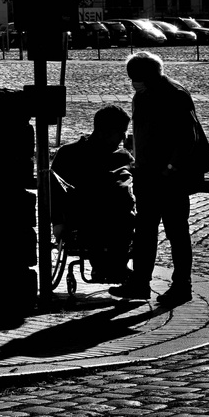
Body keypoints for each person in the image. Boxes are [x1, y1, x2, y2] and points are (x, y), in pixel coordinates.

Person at [110, 52, 209, 306]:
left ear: (147, 75)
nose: (133, 82)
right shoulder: (144, 94)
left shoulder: (174, 94)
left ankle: (181, 285)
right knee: (145, 230)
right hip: (148, 174)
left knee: (176, 231)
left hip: (170, 177)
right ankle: (140, 282)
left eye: (135, 77)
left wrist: (170, 168)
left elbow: (187, 138)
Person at [51, 105, 136, 283]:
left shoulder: (122, 156)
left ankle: (110, 267)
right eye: (120, 131)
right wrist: (58, 221)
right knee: (118, 216)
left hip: (107, 217)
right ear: (105, 131)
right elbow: (55, 191)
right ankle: (111, 267)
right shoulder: (71, 154)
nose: (123, 137)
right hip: (86, 218)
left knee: (122, 213)